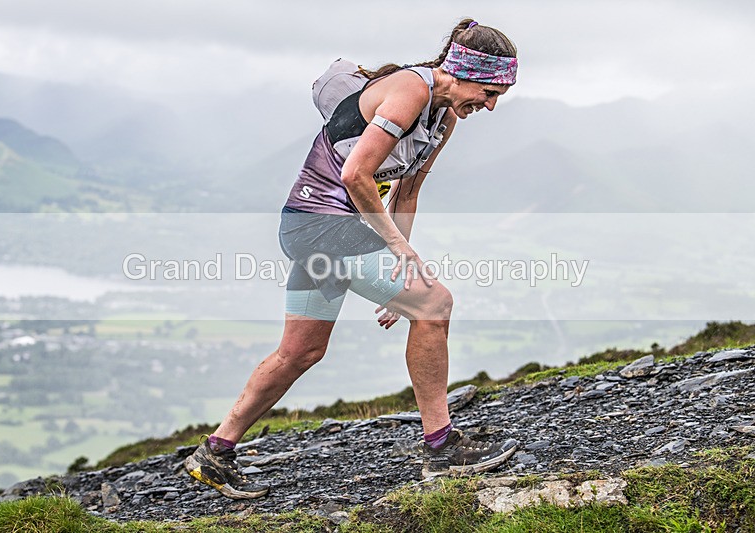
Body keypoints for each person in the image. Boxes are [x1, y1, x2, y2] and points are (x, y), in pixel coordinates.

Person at [185, 18, 520, 499]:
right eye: (489, 92)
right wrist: (399, 255)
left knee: (301, 351)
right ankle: (441, 448)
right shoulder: (409, 90)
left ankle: (214, 453)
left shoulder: (442, 117)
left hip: (316, 230)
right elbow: (356, 176)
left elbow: (407, 191)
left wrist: (401, 268)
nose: (489, 105)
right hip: (322, 227)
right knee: (436, 306)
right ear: (465, 71)